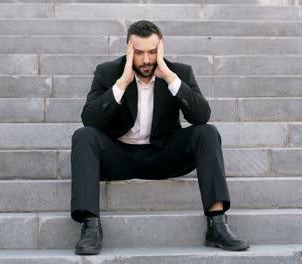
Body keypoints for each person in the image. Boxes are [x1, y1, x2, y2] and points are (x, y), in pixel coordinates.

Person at [70, 20, 249, 255]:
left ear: (161, 48)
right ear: (129, 50)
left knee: (208, 132)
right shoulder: (108, 72)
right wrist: (122, 82)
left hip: (163, 155)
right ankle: (91, 227)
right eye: (140, 53)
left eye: (153, 52)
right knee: (83, 136)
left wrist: (169, 77)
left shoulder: (179, 72)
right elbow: (90, 120)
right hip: (119, 155)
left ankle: (217, 223)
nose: (146, 60)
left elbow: (201, 116)